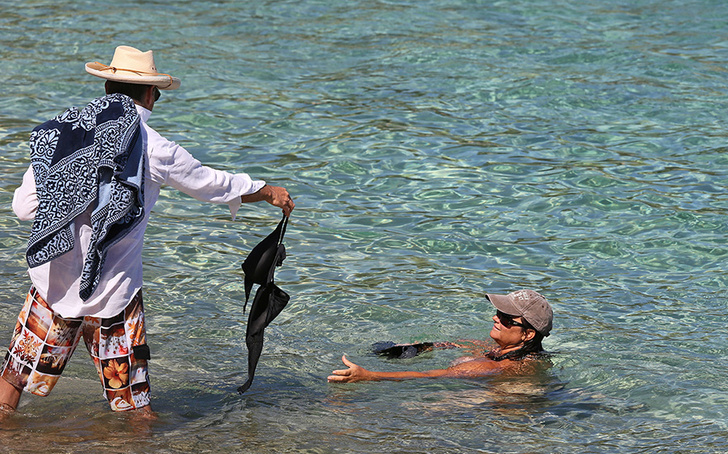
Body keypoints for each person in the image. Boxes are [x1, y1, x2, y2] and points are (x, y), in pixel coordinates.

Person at [0, 45, 295, 417]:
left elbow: (23, 208)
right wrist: (268, 191)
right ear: (152, 94)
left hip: (53, 285)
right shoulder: (154, 147)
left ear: (107, 88)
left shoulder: (61, 137)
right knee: (135, 408)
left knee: (11, 385)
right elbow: (213, 185)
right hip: (115, 295)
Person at [327, 289, 553, 383]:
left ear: (528, 334)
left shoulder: (500, 367)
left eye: (506, 318)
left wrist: (370, 375)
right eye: (497, 312)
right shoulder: (507, 352)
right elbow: (463, 345)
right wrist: (424, 346)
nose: (496, 319)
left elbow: (428, 374)